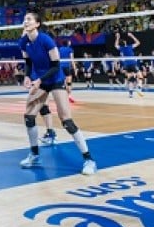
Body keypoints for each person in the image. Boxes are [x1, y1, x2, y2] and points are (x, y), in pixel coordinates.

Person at [18, 11, 96, 174]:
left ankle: (89, 160)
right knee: (29, 116)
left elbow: (55, 65)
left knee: (66, 120)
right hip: (40, 80)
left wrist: (39, 80)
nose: (26, 21)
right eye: (25, 19)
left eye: (29, 19)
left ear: (37, 24)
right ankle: (35, 155)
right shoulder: (23, 42)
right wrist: (26, 76)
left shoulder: (46, 40)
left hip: (55, 79)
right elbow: (28, 62)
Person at [116, 32, 143, 99]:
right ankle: (139, 88)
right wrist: (132, 35)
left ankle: (130, 94)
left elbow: (116, 45)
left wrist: (117, 37)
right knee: (140, 76)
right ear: (125, 42)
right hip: (133, 64)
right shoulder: (129, 47)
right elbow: (138, 42)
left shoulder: (121, 49)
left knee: (130, 80)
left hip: (126, 65)